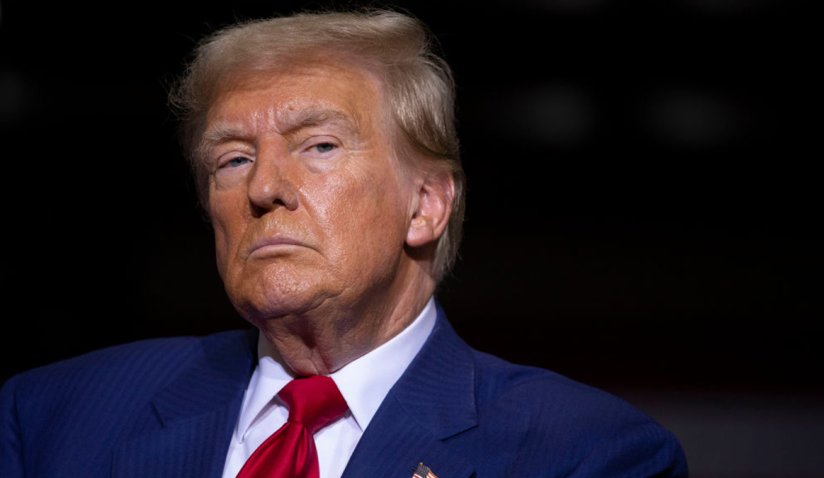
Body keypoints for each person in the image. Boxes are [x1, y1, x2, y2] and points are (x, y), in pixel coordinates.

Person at [0, 8, 688, 478]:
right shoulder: (51, 418)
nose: (264, 187)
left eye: (319, 146)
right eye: (232, 159)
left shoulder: (582, 453)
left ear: (425, 205)